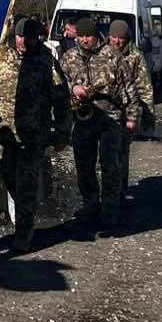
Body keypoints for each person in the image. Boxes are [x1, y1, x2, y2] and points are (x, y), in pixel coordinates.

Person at [0, 18, 71, 251]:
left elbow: (61, 100)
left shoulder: (46, 62)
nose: (22, 41)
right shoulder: (3, 58)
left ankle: (24, 234)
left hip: (33, 134)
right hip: (6, 134)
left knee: (26, 183)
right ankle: (25, 216)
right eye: (19, 36)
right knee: (8, 176)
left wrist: (61, 133)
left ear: (37, 38)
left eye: (27, 37)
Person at [60, 17, 125, 232]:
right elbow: (59, 82)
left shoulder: (112, 55)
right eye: (80, 36)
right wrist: (73, 88)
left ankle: (110, 210)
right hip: (82, 119)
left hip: (110, 119)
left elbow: (125, 86)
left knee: (110, 167)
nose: (84, 40)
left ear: (96, 35)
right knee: (84, 167)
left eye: (88, 36)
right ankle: (90, 205)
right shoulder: (68, 57)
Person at [102, 20, 155, 201]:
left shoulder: (135, 56)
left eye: (121, 38)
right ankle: (107, 191)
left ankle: (120, 191)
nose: (116, 41)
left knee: (121, 152)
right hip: (105, 113)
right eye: (114, 37)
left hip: (127, 112)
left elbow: (145, 87)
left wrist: (148, 116)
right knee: (105, 154)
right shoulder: (102, 52)